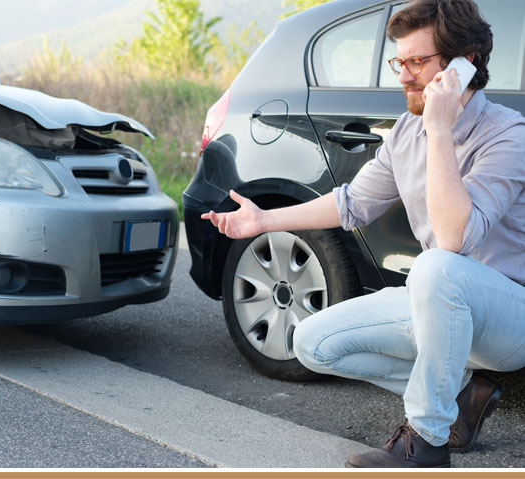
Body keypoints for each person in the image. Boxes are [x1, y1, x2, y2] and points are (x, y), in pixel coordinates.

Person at [202, 0, 525, 469]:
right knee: (311, 342)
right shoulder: (405, 134)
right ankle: (458, 390)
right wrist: (265, 221)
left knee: (435, 265)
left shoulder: (507, 136)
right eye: (400, 62)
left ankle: (426, 442)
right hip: (439, 305)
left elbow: (453, 238)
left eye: (418, 62)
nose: (404, 76)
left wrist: (439, 130)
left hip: (508, 316)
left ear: (463, 64)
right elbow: (351, 203)